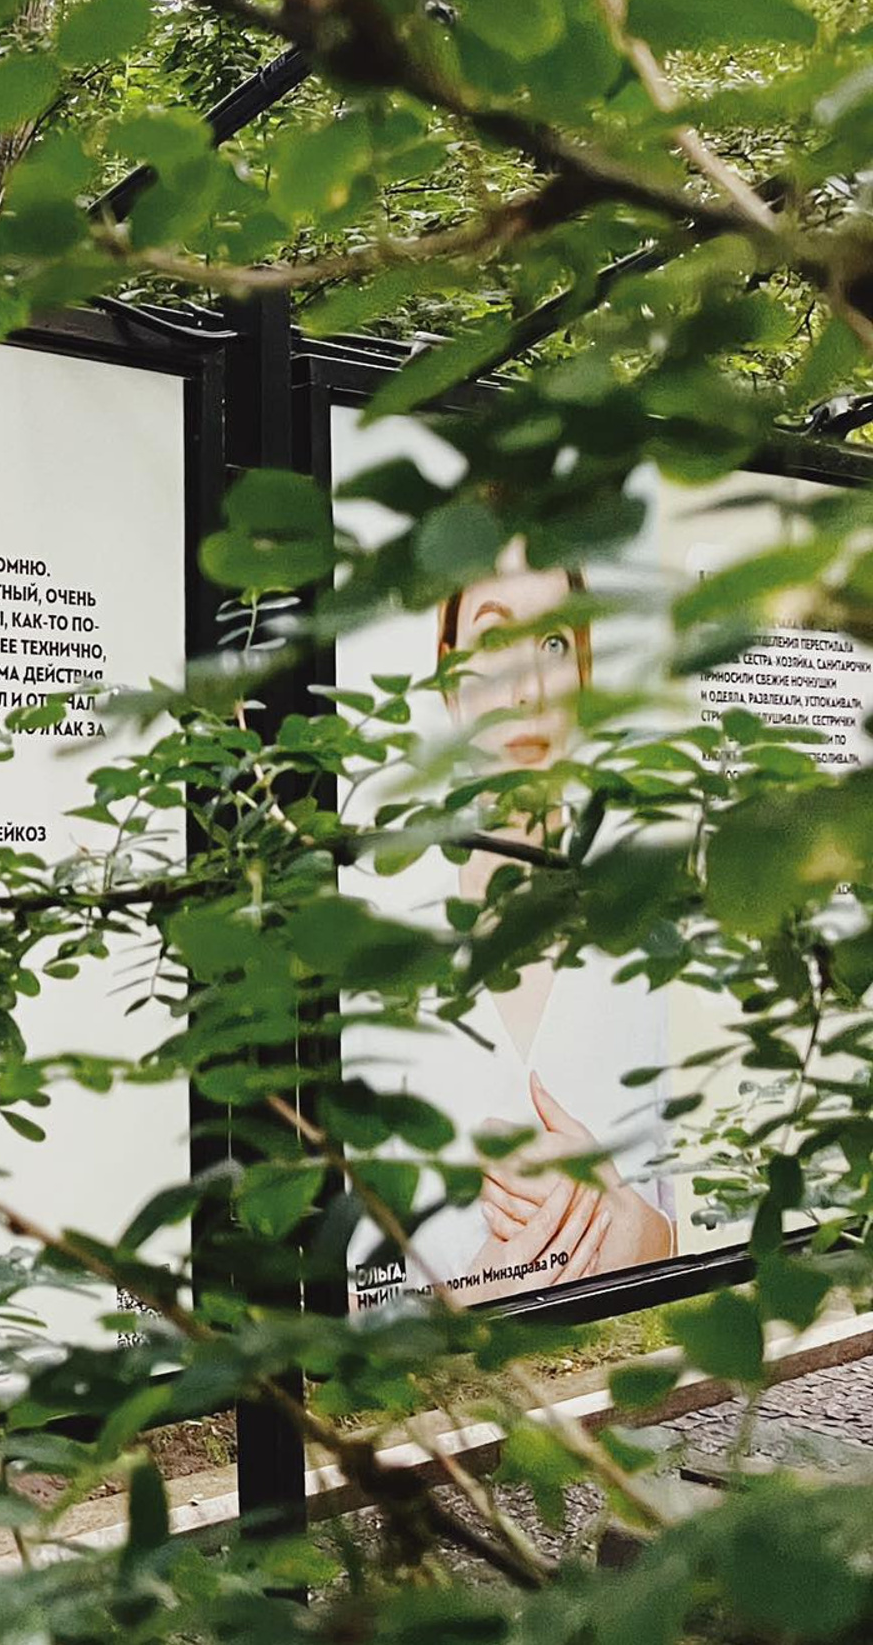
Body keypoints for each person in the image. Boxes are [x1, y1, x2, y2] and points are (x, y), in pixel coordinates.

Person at [354, 551, 675, 1303]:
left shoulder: (648, 929)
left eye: (556, 643)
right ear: (450, 680)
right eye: (495, 641)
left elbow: (688, 1224)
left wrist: (627, 1225)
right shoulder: (378, 943)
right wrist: (462, 1299)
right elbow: (343, 1283)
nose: (527, 688)